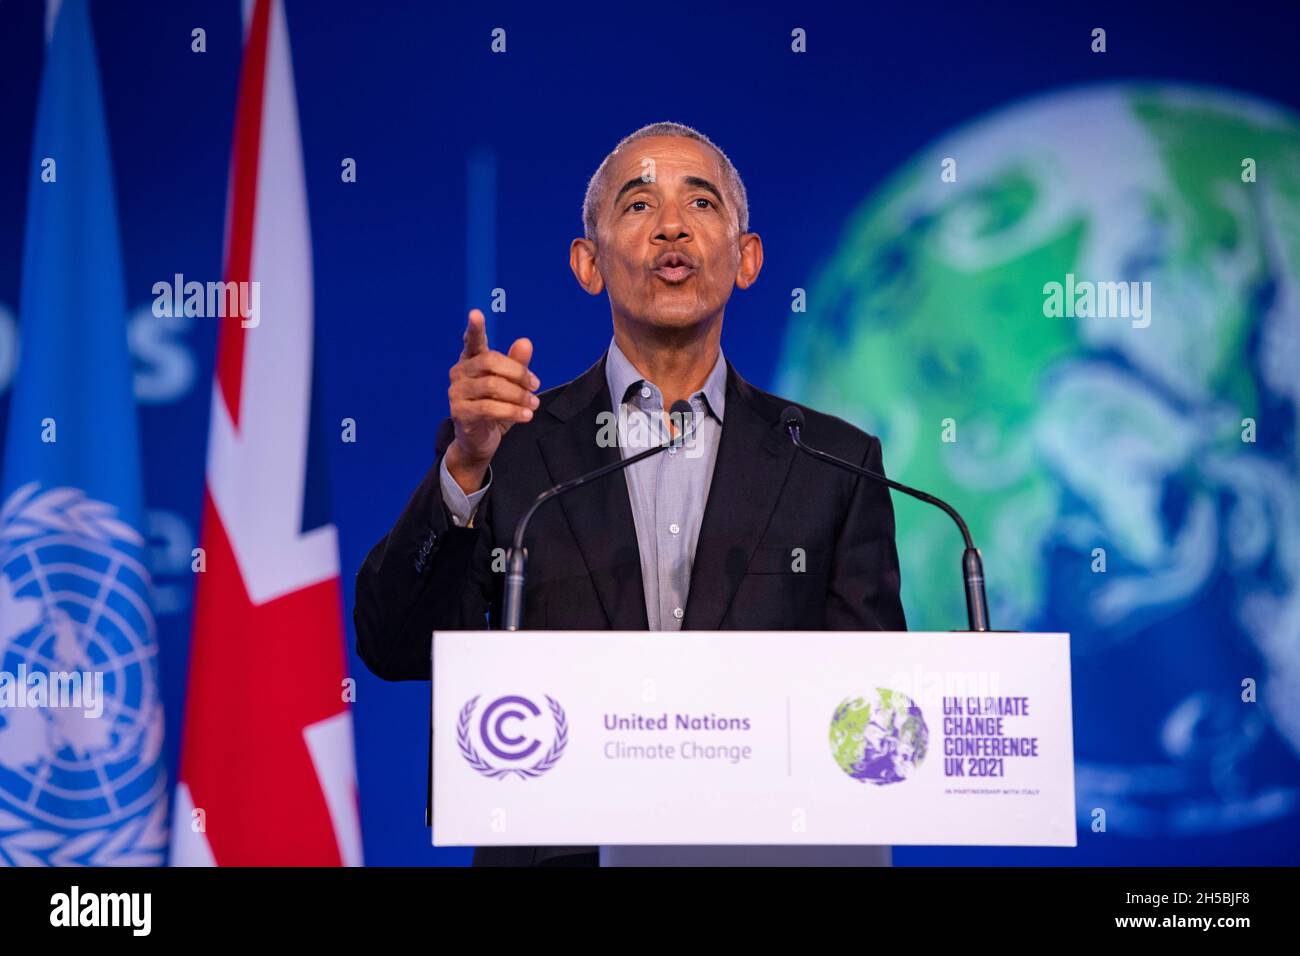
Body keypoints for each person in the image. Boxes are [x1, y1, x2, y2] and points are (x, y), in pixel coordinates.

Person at [354, 121, 906, 866]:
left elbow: (871, 709)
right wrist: (463, 470)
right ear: (589, 264)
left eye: (701, 204)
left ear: (747, 260)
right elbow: (393, 647)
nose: (672, 226)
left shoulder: (834, 462)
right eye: (639, 205)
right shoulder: (509, 446)